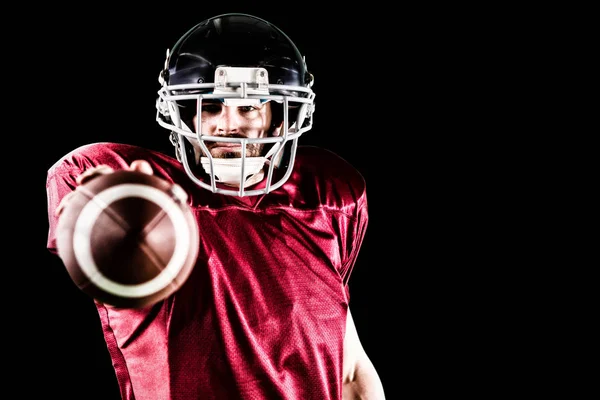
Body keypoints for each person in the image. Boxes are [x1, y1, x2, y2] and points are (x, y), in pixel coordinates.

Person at [46, 13, 386, 400]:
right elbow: (112, 261)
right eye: (212, 106)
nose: (229, 125)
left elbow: (349, 371)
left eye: (249, 107)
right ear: (186, 113)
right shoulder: (146, 197)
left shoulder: (326, 199)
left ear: (278, 116)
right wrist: (116, 221)